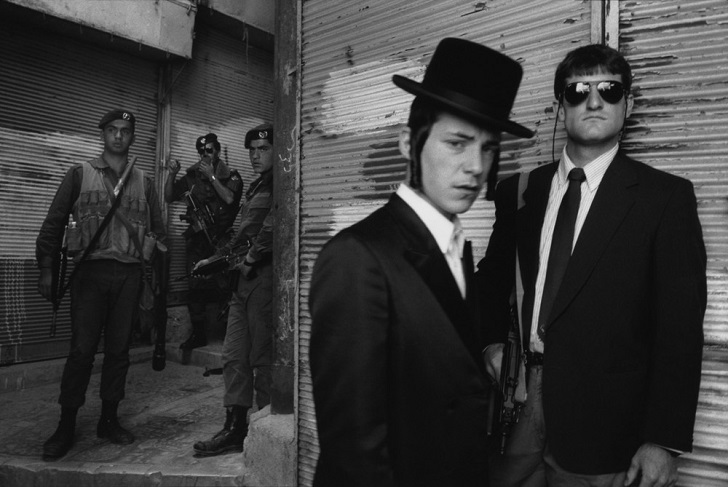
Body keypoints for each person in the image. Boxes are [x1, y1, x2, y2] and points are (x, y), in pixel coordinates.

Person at [476, 44, 706, 487]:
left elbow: (679, 329)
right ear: (561, 106)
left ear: (628, 104)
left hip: (605, 428)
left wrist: (663, 440)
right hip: (515, 410)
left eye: (609, 90)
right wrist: (489, 346)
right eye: (578, 91)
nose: (594, 101)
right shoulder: (519, 192)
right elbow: (492, 282)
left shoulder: (664, 198)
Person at [308, 38, 534, 487]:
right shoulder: (357, 258)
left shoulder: (455, 246)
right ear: (408, 143)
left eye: (489, 148)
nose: (476, 167)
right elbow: (354, 453)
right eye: (457, 143)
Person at [36, 109, 166, 461]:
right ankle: (66, 424)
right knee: (81, 351)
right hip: (89, 274)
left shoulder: (145, 182)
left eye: (125, 130)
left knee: (119, 351)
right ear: (103, 134)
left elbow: (159, 232)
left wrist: (151, 274)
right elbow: (53, 223)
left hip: (129, 275)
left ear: (132, 136)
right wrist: (46, 269)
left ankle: (109, 419)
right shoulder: (80, 174)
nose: (119, 136)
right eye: (112, 130)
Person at [191, 123, 275, 457]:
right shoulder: (255, 186)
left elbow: (274, 224)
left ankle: (269, 429)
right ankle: (235, 428)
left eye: (263, 149)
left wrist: (251, 258)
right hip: (243, 280)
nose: (255, 156)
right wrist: (213, 261)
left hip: (264, 278)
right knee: (234, 355)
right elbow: (242, 234)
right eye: (251, 150)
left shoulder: (282, 181)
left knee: (263, 357)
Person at [165, 132, 243, 350]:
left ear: (217, 151)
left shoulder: (232, 176)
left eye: (209, 150)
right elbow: (169, 197)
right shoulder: (191, 177)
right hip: (198, 240)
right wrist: (172, 174)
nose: (204, 155)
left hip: (222, 240)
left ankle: (230, 335)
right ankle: (198, 334)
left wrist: (212, 177)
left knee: (227, 286)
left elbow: (229, 198)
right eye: (201, 151)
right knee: (195, 285)